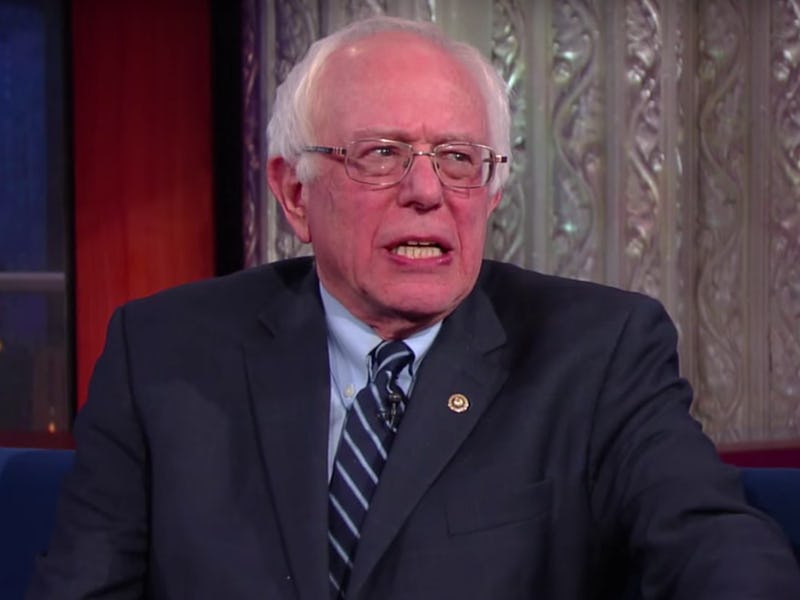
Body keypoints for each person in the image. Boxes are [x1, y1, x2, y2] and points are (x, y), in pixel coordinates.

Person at [29, 16, 800, 600]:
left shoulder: (599, 353)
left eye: (459, 159)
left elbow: (716, 546)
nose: (427, 191)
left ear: (490, 192)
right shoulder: (161, 354)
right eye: (381, 154)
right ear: (294, 193)